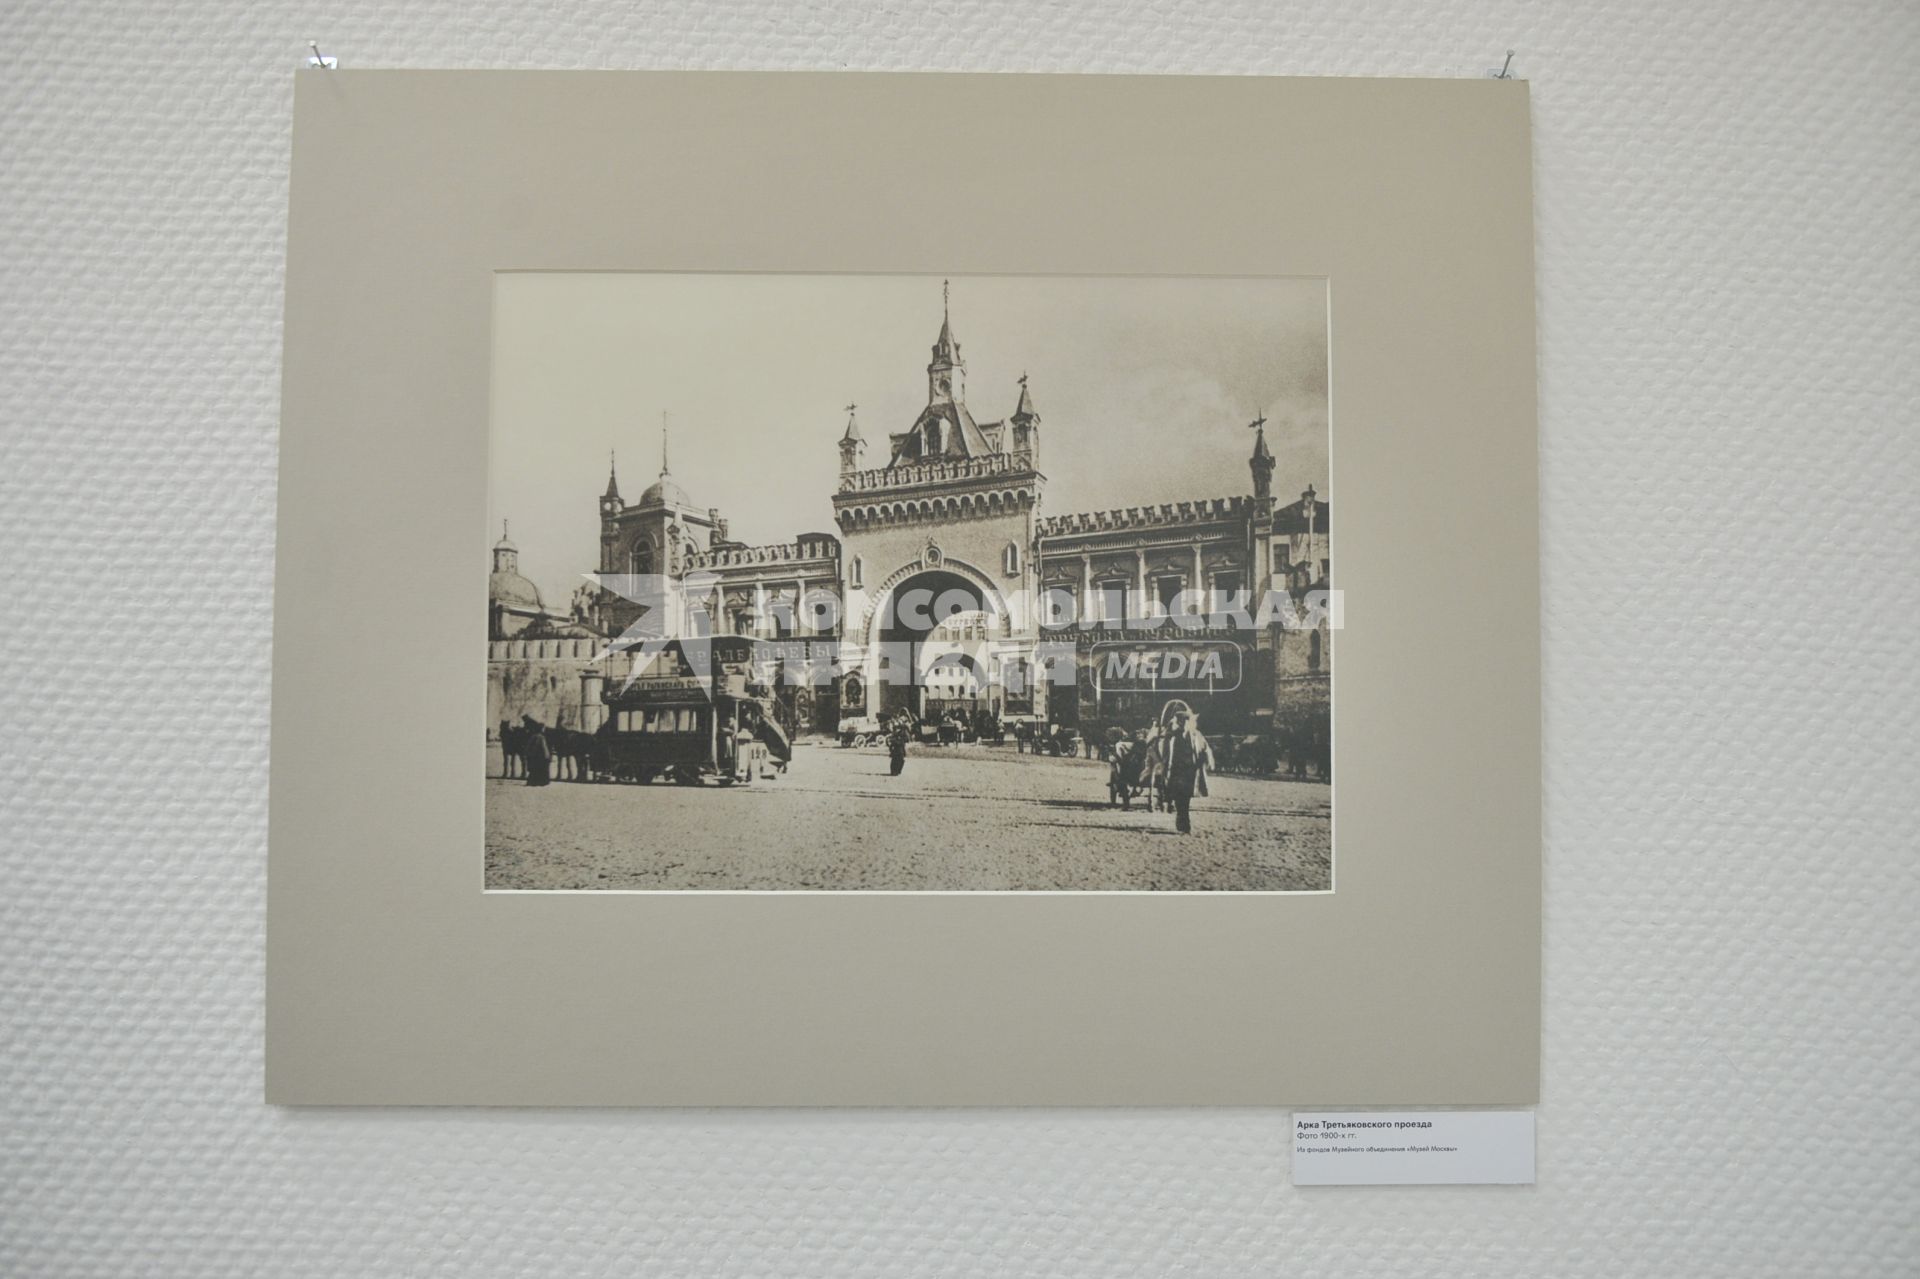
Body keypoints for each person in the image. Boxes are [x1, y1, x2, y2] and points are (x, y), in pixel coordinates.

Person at [1161, 709, 1214, 834]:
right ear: (1178, 722)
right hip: (1176, 771)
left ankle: (1183, 824)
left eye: (1187, 720)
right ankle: (1183, 824)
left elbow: (1206, 749)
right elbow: (1165, 752)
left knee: (1185, 798)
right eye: (1182, 721)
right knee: (1179, 798)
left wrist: (1208, 761)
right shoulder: (1171, 736)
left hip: (1190, 772)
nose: (1185, 723)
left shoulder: (1196, 735)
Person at [521, 714, 552, 787]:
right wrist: (546, 756)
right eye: (543, 728)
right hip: (540, 756)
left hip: (538, 756)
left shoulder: (535, 736)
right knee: (540, 769)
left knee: (536, 769)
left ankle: (536, 781)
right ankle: (541, 782)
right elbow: (542, 748)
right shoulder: (540, 737)